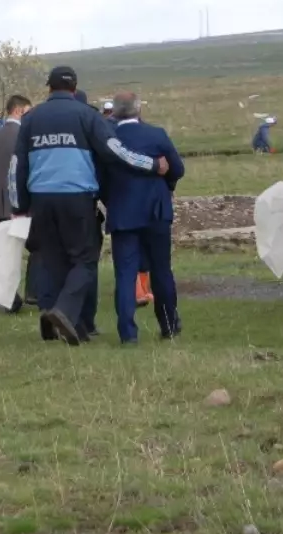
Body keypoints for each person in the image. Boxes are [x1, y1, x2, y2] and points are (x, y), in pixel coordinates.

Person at [11, 65, 169, 346]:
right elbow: (117, 152)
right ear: (74, 89)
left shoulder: (31, 118)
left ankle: (52, 317)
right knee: (84, 259)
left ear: (49, 87)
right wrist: (152, 164)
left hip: (41, 201)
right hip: (76, 199)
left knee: (52, 259)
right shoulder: (86, 116)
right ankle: (64, 313)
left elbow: (17, 166)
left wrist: (18, 205)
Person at [102, 92, 185, 345]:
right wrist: (166, 185)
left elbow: (101, 178)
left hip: (123, 213)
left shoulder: (109, 139)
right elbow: (178, 169)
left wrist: (111, 200)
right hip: (156, 211)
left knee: (125, 273)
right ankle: (169, 325)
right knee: (161, 269)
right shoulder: (156, 135)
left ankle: (128, 333)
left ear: (114, 112)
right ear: (139, 110)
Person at [0, 95, 38, 311]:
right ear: (18, 111)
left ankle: (8, 298)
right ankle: (33, 292)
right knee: (35, 248)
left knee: (6, 253)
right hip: (23, 204)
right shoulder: (27, 136)